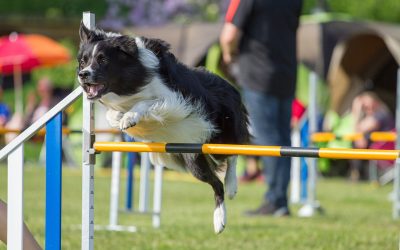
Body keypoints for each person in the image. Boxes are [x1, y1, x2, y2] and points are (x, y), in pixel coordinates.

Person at [220, 0, 303, 216]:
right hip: (287, 74)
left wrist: (229, 57)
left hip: (257, 74)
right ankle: (280, 200)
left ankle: (275, 201)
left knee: (268, 140)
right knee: (283, 140)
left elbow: (229, 35)